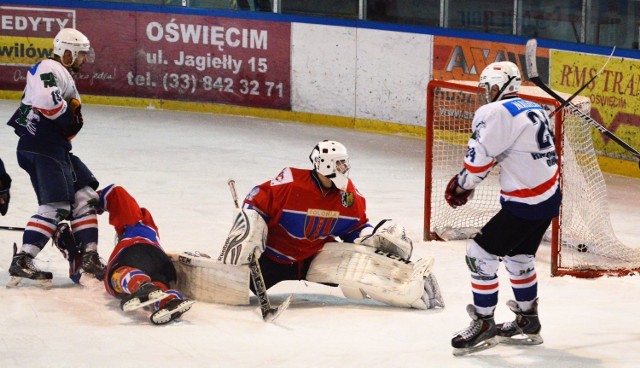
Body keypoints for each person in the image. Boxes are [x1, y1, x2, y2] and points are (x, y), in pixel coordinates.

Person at [218, 140, 444, 310]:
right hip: (272, 259)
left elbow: (355, 228)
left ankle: (408, 289)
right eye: (340, 162)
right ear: (324, 164)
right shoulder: (291, 182)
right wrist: (251, 231)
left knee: (361, 263)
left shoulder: (348, 194)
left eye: (345, 161)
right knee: (229, 290)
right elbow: (255, 200)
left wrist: (372, 238)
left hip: (314, 259)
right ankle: (217, 270)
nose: (345, 167)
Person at [446, 61, 561, 356]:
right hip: (549, 198)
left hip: (524, 202)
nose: (486, 94)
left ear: (498, 87)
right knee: (519, 255)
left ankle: (484, 325)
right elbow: (524, 153)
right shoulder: (533, 108)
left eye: (488, 88)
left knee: (479, 253)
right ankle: (528, 321)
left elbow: (477, 161)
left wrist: (462, 186)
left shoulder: (495, 112)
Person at [6, 28, 104, 286]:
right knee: (57, 206)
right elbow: (47, 102)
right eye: (80, 54)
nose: (84, 60)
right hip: (41, 147)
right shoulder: (49, 67)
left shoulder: (60, 73)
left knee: (85, 195)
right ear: (67, 53)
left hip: (53, 148)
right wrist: (68, 117)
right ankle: (23, 260)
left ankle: (89, 257)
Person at [97, 184, 195, 325]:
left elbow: (116, 192)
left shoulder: (133, 221)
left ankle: (141, 285)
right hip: (161, 262)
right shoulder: (150, 229)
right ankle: (169, 300)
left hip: (136, 252)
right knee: (158, 287)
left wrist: (91, 200)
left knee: (116, 275)